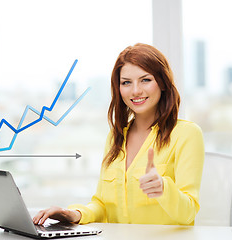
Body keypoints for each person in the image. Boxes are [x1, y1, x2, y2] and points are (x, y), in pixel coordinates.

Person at [33, 43, 204, 226]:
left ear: (162, 83)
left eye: (145, 80)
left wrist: (163, 189)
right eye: (126, 82)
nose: (136, 90)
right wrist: (74, 214)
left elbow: (188, 213)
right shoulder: (116, 138)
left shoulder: (186, 134)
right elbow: (103, 205)